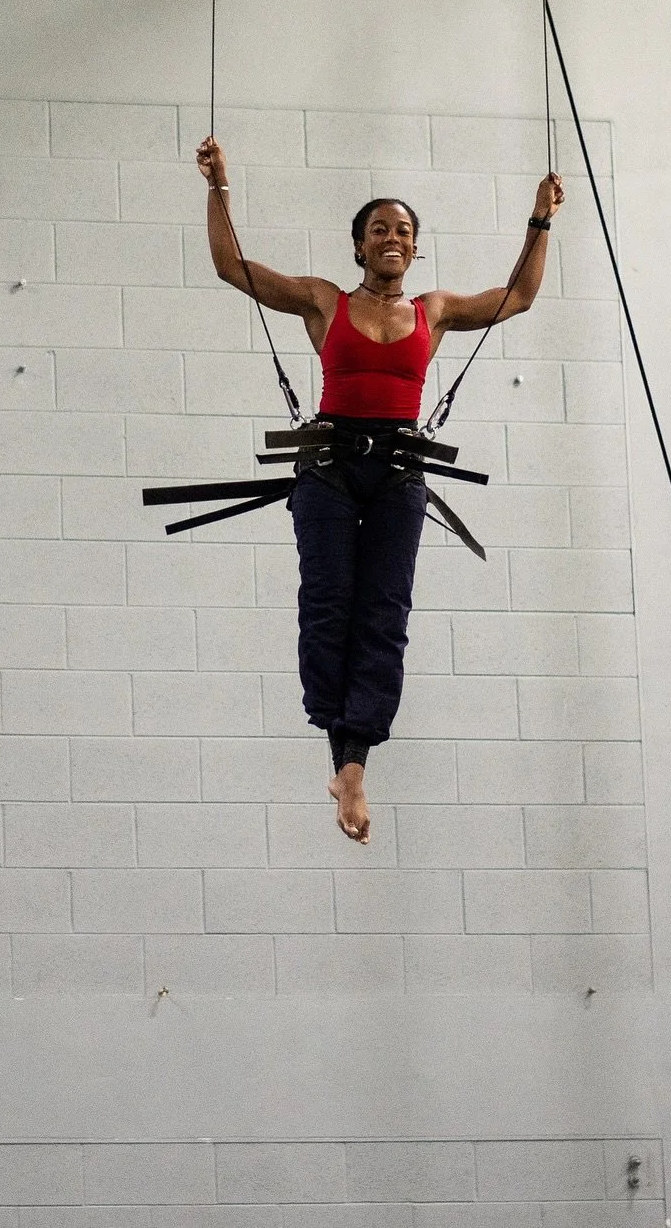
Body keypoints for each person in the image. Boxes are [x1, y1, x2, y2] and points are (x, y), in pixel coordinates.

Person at [196, 135, 564, 843]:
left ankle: (356, 760)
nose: (391, 237)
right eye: (378, 229)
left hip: (399, 473)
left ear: (415, 249)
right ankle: (342, 757)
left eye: (403, 230)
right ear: (358, 246)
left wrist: (539, 220)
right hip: (330, 468)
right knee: (330, 601)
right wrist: (219, 186)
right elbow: (230, 266)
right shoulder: (322, 301)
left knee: (385, 609)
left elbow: (518, 295)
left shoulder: (438, 308)